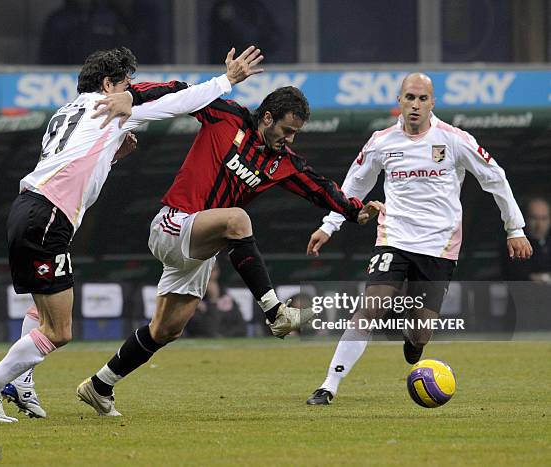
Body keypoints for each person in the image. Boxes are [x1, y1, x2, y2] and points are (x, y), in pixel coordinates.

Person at [0, 45, 263, 422]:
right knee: (59, 331)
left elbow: (71, 160)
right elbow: (180, 102)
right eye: (126, 84)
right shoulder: (112, 106)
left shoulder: (66, 111)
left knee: (39, 311)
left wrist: (113, 155)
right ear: (109, 85)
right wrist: (227, 81)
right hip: (49, 217)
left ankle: (20, 382)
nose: (131, 90)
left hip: (30, 208)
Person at [76, 83, 383, 416]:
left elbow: (320, 188)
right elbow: (180, 91)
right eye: (287, 130)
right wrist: (132, 94)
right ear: (267, 117)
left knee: (167, 329)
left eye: (296, 133)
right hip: (173, 223)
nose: (290, 139)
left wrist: (354, 211)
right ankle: (276, 313)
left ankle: (99, 385)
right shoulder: (227, 116)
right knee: (238, 219)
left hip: (202, 247)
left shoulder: (282, 162)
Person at [305, 72, 533, 405]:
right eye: (409, 97)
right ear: (399, 100)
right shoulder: (382, 142)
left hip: (439, 245)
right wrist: (329, 226)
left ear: (432, 102)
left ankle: (414, 343)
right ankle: (328, 385)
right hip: (393, 236)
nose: (415, 105)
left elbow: (494, 177)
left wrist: (515, 229)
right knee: (370, 308)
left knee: (420, 330)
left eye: (422, 98)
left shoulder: (454, 140)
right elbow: (353, 187)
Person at [186, 263, 247, 337]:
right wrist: (213, 300)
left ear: (218, 272)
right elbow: (205, 331)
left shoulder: (227, 298)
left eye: (213, 269)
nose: (210, 273)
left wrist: (224, 335)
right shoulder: (193, 299)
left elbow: (241, 327)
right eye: (206, 269)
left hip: (228, 341)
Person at [504, 197, 551, 283]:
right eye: (534, 218)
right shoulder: (514, 243)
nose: (539, 225)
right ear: (524, 218)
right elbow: (516, 275)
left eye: (544, 218)